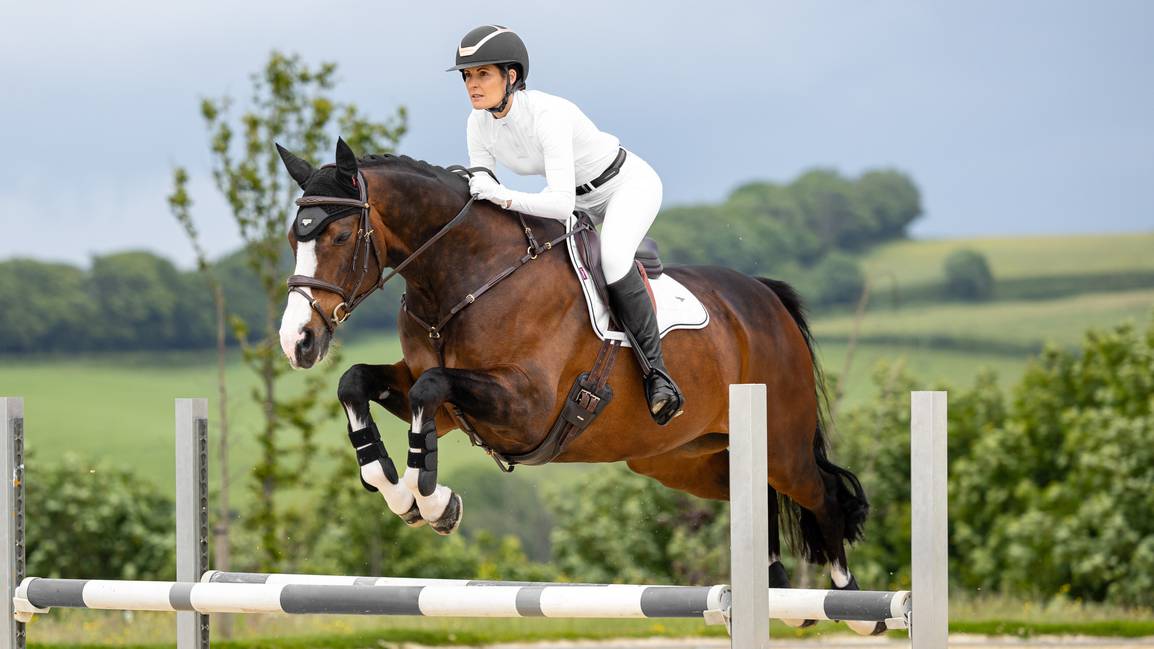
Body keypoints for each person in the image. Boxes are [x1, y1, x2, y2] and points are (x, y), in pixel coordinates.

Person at [447, 24, 683, 425]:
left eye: (482, 73)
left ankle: (658, 376)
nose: (472, 84)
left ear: (512, 76)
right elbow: (482, 183)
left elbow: (554, 202)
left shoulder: (549, 114)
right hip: (581, 204)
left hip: (625, 186)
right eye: (468, 75)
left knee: (612, 258)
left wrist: (500, 195)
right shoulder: (478, 123)